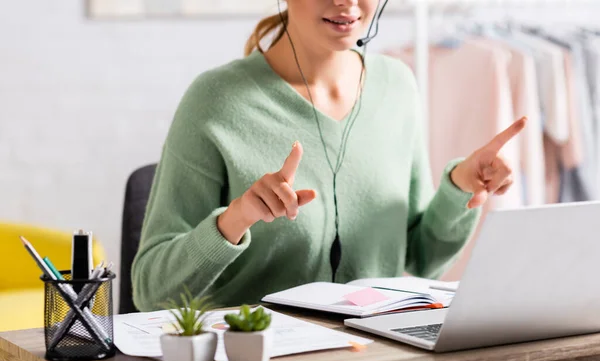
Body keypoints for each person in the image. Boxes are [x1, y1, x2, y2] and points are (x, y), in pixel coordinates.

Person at [131, 0, 527, 312]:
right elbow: (151, 291)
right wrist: (238, 218)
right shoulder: (216, 100)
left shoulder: (398, 85)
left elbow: (423, 259)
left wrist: (460, 187)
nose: (347, 2)